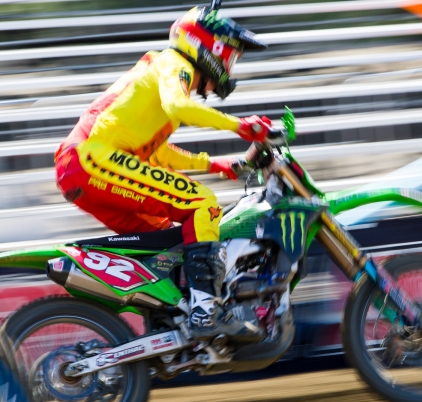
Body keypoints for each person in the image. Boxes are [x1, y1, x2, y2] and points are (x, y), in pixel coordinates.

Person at [55, 5, 271, 343]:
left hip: (84, 168)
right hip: (90, 160)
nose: (230, 65)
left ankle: (167, 325)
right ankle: (205, 311)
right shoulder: (174, 64)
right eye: (231, 55)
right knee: (203, 204)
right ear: (210, 47)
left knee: (167, 243)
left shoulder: (160, 74)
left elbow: (157, 154)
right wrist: (241, 126)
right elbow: (179, 107)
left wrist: (217, 165)